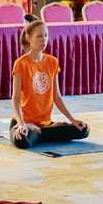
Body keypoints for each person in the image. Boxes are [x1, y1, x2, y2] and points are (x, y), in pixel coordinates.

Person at [9, 19, 89, 148]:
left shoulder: (52, 62)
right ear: (28, 38)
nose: (44, 40)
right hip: (24, 123)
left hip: (44, 124)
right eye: (39, 36)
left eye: (46, 35)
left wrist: (72, 120)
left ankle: (40, 131)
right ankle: (47, 132)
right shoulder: (21, 63)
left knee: (83, 130)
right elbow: (16, 98)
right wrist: (21, 124)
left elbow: (56, 97)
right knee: (22, 140)